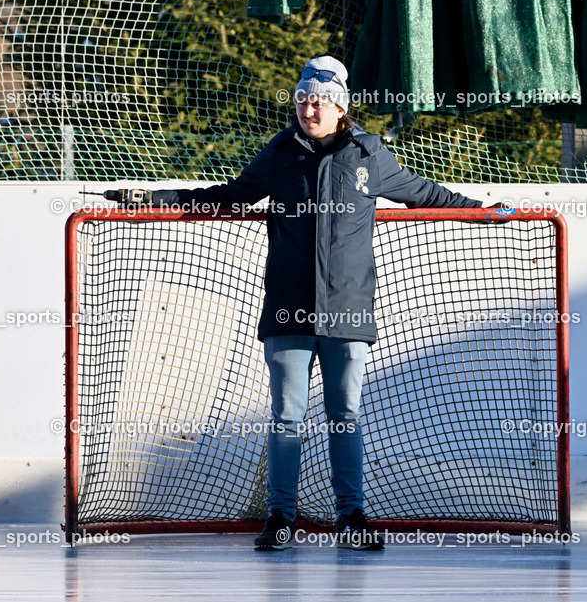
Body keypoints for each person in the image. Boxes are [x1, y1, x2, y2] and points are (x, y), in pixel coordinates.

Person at [114, 56, 498, 551]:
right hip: (288, 309)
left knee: (344, 415)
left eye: (318, 100)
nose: (308, 108)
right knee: (287, 416)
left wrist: (482, 212)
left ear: (340, 108)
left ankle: (352, 517)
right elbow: (229, 196)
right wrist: (156, 199)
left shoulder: (368, 155)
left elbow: (423, 193)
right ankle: (280, 517)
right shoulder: (279, 155)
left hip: (347, 309)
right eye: (301, 99)